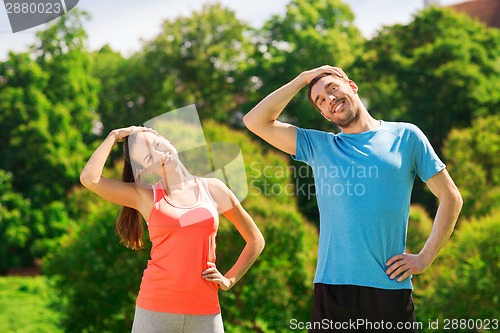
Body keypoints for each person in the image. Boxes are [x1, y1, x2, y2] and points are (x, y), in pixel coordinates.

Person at [243, 65, 463, 332]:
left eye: (333, 88)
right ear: (323, 114)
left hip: (389, 288)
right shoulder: (319, 146)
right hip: (333, 290)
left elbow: (451, 197)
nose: (330, 99)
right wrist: (303, 79)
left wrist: (425, 258)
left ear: (352, 86)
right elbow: (255, 121)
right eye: (320, 101)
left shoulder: (407, 136)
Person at [80, 126, 265, 333]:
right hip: (155, 310)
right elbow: (90, 179)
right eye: (149, 157)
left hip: (205, 310)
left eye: (157, 145)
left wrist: (230, 279)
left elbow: (255, 240)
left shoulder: (214, 189)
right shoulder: (145, 197)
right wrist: (114, 135)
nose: (160, 154)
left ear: (167, 140)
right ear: (146, 171)